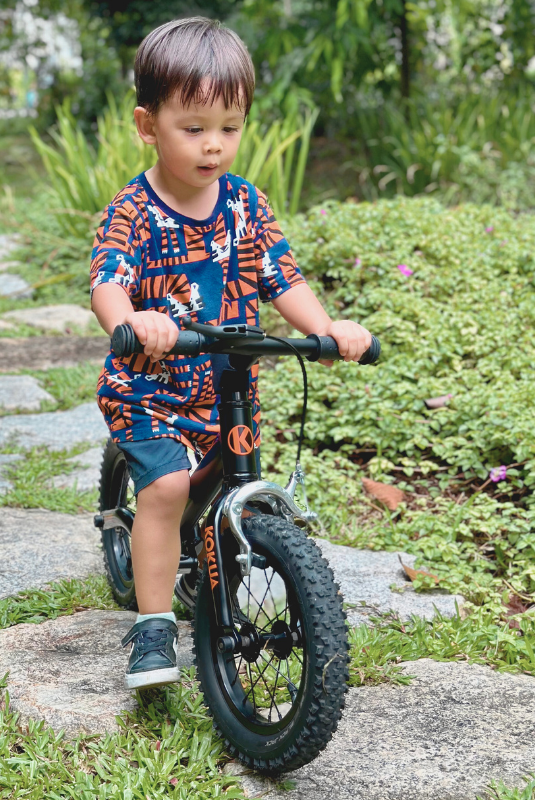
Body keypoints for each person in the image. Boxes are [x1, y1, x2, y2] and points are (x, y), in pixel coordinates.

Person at [89, 17, 372, 691]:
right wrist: (134, 320)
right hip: (150, 390)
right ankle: (153, 625)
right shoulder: (133, 211)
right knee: (164, 489)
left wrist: (329, 330)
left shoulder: (246, 205)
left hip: (226, 386)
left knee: (231, 488)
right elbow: (108, 284)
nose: (214, 145)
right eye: (194, 128)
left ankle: (210, 558)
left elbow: (282, 277)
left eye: (230, 126)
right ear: (147, 124)